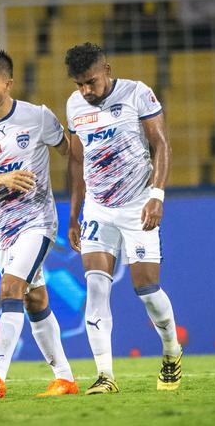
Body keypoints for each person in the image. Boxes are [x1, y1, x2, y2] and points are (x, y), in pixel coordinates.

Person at [0, 49, 78, 398]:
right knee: (34, 299)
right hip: (2, 226)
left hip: (38, 221)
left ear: (7, 82)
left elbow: (70, 152)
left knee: (11, 287)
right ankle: (65, 378)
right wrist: (3, 179)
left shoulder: (37, 117)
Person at [64, 42, 182, 394]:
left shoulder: (137, 94)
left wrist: (156, 196)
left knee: (146, 289)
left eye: (91, 82)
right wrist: (73, 215)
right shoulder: (74, 106)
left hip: (137, 205)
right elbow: (76, 161)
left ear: (108, 71)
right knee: (96, 287)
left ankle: (172, 352)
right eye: (78, 84)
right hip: (98, 209)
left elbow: (162, 145)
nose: (85, 91)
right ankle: (105, 376)